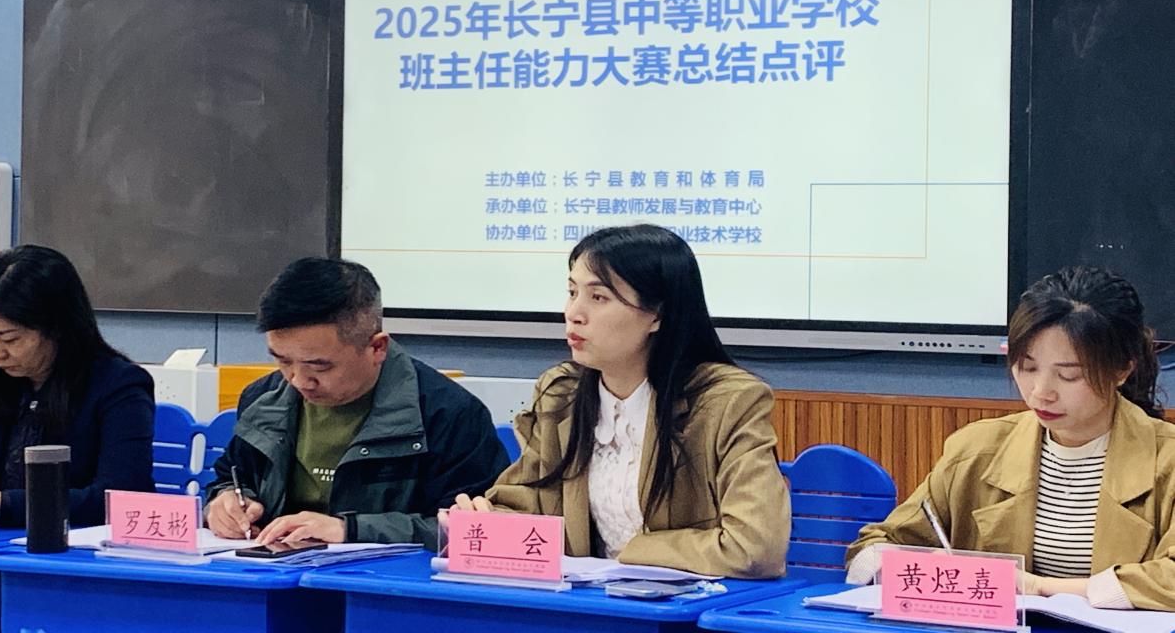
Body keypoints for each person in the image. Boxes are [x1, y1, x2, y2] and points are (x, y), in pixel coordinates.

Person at [454, 224, 790, 578]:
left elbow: (755, 548)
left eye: (598, 297)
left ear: (656, 314)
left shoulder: (728, 402)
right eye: (572, 292)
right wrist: (481, 525)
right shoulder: (561, 393)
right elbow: (524, 506)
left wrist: (632, 553)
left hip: (695, 605)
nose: (574, 312)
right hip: (587, 602)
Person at [847, 266, 1175, 609]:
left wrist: (1039, 587)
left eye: (1069, 375)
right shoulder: (976, 450)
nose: (1041, 392)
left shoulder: (1166, 459)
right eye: (1027, 367)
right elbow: (871, 549)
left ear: (1122, 370)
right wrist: (910, 565)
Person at [204, 257, 509, 550]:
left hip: (385, 582)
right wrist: (224, 501)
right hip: (274, 573)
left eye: (319, 366)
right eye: (283, 361)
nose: (298, 380)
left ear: (377, 348)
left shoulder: (448, 414)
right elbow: (231, 477)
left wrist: (349, 530)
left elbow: (474, 529)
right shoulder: (264, 399)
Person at [0, 245, 154, 526]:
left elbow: (120, 498)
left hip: (73, 545)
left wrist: (1, 504)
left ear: (56, 328)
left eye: (9, 339)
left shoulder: (118, 386)